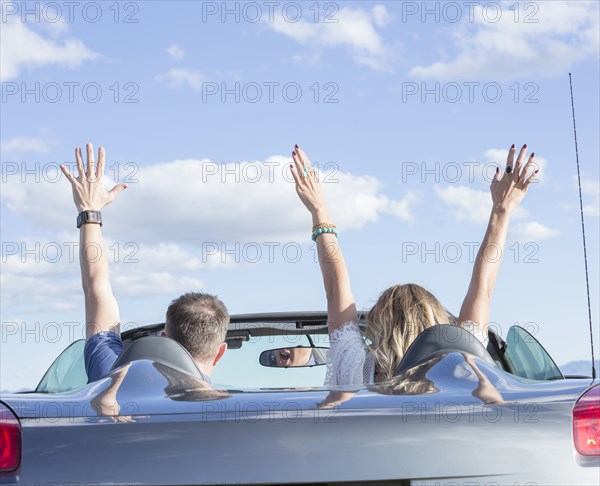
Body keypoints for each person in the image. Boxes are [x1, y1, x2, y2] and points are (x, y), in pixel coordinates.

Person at [290, 143, 539, 385]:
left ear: (378, 328)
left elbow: (336, 288)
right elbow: (483, 287)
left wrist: (319, 208)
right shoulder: (464, 362)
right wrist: (502, 210)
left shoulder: (354, 368)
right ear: (437, 323)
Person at [60, 144, 228, 383]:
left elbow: (96, 289)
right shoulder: (234, 414)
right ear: (220, 352)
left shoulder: (112, 375)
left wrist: (90, 212)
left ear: (164, 338)